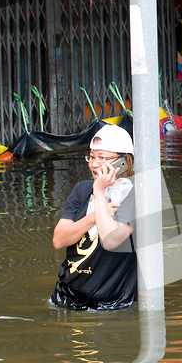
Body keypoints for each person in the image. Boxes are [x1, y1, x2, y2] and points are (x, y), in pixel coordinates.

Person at [51, 124, 137, 310]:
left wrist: (98, 192)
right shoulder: (82, 190)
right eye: (91, 157)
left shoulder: (136, 194)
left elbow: (111, 240)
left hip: (110, 305)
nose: (94, 164)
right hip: (64, 297)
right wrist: (94, 216)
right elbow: (59, 240)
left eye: (103, 158)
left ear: (123, 161)